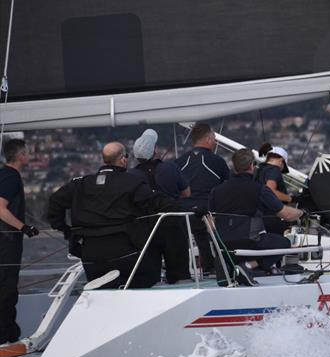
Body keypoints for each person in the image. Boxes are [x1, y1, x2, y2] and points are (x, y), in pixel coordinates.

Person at [48, 142, 180, 289]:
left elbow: (54, 202)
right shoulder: (132, 183)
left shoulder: (80, 184)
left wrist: (66, 230)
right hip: (129, 257)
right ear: (123, 159)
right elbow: (162, 204)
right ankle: (178, 277)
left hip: (91, 257)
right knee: (165, 231)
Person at [209, 149, 304, 278]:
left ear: (234, 166)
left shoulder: (216, 190)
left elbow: (211, 221)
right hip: (249, 243)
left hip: (223, 245)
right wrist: (302, 213)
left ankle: (236, 267)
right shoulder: (260, 189)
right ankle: (248, 266)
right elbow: (286, 214)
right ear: (251, 166)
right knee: (283, 243)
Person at [129, 129, 193, 283]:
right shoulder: (170, 167)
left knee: (150, 275)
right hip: (173, 224)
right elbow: (187, 193)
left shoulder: (130, 176)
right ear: (155, 150)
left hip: (146, 227)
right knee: (180, 274)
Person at [176, 123, 230, 272]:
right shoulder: (217, 161)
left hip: (183, 214)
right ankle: (222, 268)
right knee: (215, 234)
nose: (215, 141)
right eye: (213, 138)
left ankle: (199, 269)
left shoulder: (179, 162)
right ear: (207, 139)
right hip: (209, 213)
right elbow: (227, 188)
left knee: (199, 233)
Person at [0, 139, 38, 345]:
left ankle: (10, 334)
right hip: (6, 242)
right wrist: (23, 227)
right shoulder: (11, 178)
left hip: (5, 240)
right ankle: (6, 339)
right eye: (28, 152)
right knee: (6, 289)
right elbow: (0, 208)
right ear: (21, 155)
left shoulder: (3, 175)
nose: (29, 155)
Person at [255, 146, 293, 234]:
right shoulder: (274, 170)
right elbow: (270, 191)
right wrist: (291, 199)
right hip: (272, 219)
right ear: (281, 160)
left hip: (259, 219)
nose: (282, 169)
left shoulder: (258, 170)